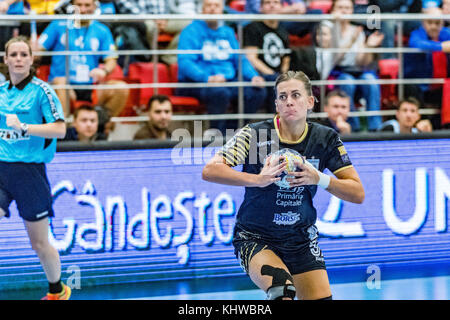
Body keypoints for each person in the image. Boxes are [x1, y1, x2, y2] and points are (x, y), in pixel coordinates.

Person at [202, 70, 365, 300]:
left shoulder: (325, 139)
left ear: (310, 102)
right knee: (282, 291)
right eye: (282, 96)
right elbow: (210, 170)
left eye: (296, 95)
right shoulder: (255, 133)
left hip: (300, 238)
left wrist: (319, 178)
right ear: (276, 104)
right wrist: (257, 180)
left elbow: (358, 193)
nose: (289, 101)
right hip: (255, 236)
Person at [0, 36, 70, 300]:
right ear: (5, 60)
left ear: (31, 60)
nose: (18, 59)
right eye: (13, 55)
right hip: (1, 170)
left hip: (29, 174)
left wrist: (25, 127)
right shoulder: (1, 92)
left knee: (39, 243)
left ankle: (57, 291)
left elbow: (60, 129)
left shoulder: (43, 92)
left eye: (23, 55)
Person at [177, 0, 266, 134]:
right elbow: (185, 62)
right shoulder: (191, 31)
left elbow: (240, 59)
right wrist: (207, 78)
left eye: (216, 6)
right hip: (197, 83)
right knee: (219, 93)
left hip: (227, 81)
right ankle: (216, 132)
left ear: (222, 9)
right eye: (209, 6)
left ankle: (230, 131)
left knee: (256, 92)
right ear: (202, 9)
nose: (212, 9)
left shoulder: (228, 32)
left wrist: (253, 76)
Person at [35, 0, 129, 118]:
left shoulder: (102, 30)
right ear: (71, 6)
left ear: (95, 6)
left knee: (120, 88)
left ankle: (100, 125)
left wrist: (103, 71)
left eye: (87, 5)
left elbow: (111, 60)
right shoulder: (57, 25)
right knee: (60, 82)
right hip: (64, 85)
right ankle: (64, 129)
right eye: (79, 5)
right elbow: (37, 50)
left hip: (90, 85)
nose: (83, 9)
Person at [330, 0, 384, 132]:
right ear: (333, 10)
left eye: (347, 8)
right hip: (338, 71)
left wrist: (368, 46)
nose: (344, 11)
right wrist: (351, 40)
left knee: (371, 81)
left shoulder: (357, 30)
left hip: (358, 70)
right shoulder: (328, 30)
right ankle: (353, 127)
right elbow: (334, 60)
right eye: (340, 7)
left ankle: (375, 127)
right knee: (347, 82)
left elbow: (361, 61)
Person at [404, 6, 450, 129]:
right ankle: (420, 125)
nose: (434, 26)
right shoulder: (417, 34)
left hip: (439, 84)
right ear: (423, 22)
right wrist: (441, 47)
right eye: (430, 22)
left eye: (437, 23)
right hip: (417, 83)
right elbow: (417, 44)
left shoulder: (445, 33)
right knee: (411, 88)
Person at [243, 0, 291, 112]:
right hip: (259, 74)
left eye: (276, 2)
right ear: (261, 8)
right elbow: (251, 58)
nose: (272, 5)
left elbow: (286, 57)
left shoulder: (283, 30)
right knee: (275, 83)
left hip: (277, 75)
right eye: (268, 2)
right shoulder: (252, 28)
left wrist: (284, 75)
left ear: (281, 7)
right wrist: (273, 74)